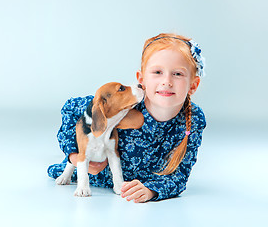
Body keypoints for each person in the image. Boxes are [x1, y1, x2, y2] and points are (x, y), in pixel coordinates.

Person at [47, 33, 206, 203]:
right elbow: (70, 109)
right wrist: (74, 155)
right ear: (141, 79)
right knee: (62, 170)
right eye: (158, 72)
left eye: (178, 74)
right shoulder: (127, 102)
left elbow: (180, 176)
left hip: (127, 188)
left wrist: (152, 191)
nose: (167, 81)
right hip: (92, 176)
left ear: (193, 85)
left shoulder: (193, 119)